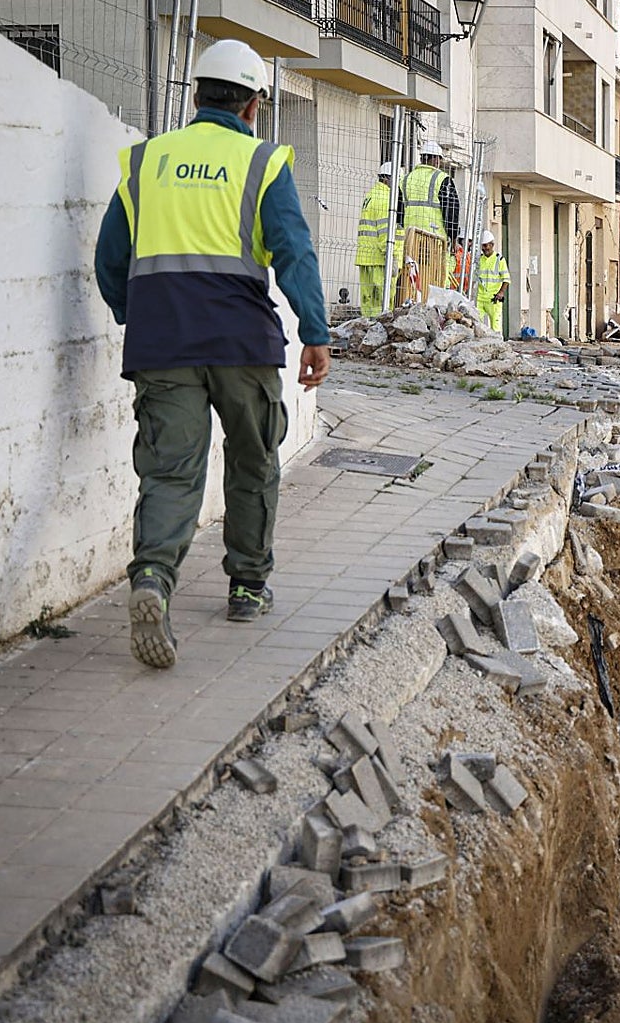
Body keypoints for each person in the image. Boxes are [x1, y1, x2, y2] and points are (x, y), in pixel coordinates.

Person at [94, 38, 331, 670]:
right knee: (252, 461)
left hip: (162, 342)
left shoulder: (147, 162)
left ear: (196, 95)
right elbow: (294, 252)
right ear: (254, 104)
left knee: (171, 470)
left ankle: (152, 579)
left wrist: (135, 314)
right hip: (241, 342)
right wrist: (315, 330)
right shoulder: (263, 164)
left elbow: (109, 260)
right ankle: (247, 587)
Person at [355, 161, 403, 317]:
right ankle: (377, 332)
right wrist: (393, 256)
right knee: (383, 301)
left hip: (366, 257)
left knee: (368, 301)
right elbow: (385, 233)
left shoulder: (371, 195)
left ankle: (367, 328)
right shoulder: (385, 199)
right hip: (380, 259)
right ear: (388, 179)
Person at [402, 138, 459, 244]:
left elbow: (399, 210)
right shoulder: (442, 178)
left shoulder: (406, 179)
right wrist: (453, 236)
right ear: (436, 159)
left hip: (410, 237)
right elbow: (451, 211)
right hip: (434, 238)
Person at [476, 229, 510, 333]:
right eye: (482, 246)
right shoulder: (479, 259)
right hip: (480, 298)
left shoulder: (499, 260)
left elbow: (506, 279)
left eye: (486, 245)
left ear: (492, 245)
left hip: (493, 299)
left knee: (495, 328)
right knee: (477, 327)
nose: (484, 248)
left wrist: (501, 292)